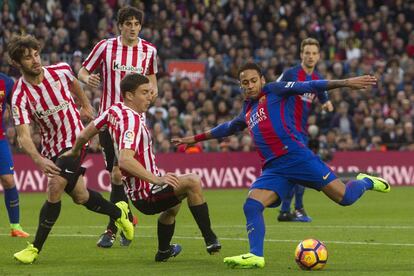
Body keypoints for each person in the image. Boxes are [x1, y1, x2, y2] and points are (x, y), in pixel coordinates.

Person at [172, 63, 390, 269]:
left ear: (262, 80)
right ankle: (256, 255)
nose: (249, 86)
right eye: (245, 83)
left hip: (297, 157)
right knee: (252, 205)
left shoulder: (274, 90)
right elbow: (227, 128)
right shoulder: (247, 110)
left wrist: (346, 82)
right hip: (274, 169)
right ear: (240, 86)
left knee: (345, 198)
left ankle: (366, 181)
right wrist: (195, 138)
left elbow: (310, 86)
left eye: (253, 80)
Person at [65, 73, 221, 261]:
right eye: (144, 92)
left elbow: (85, 134)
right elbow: (124, 160)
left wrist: (74, 152)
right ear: (129, 95)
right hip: (145, 193)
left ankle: (164, 251)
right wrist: (156, 179)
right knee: (193, 181)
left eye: (150, 92)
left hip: (142, 190)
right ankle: (210, 238)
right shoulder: (131, 121)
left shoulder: (114, 110)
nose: (150, 96)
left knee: (173, 206)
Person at [8, 35, 134, 264]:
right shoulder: (19, 95)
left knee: (55, 187)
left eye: (36, 54)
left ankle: (34, 249)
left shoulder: (61, 70)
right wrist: (37, 159)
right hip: (51, 148)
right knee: (81, 196)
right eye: (28, 58)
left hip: (76, 141)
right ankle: (119, 213)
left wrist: (85, 105)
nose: (35, 60)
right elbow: (23, 136)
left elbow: (75, 83)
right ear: (18, 63)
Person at [78, 5, 158, 248]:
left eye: (136, 24)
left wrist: (152, 93)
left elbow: (152, 80)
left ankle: (113, 227)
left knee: (118, 173)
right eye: (128, 23)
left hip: (133, 122)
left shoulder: (149, 50)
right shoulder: (105, 47)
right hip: (108, 120)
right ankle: (125, 219)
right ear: (120, 25)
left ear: (140, 26)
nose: (132, 28)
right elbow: (83, 70)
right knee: (116, 176)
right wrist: (87, 79)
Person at [276, 38, 334, 223]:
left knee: (296, 173)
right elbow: (272, 90)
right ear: (301, 54)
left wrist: (327, 105)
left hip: (302, 132)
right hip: (288, 130)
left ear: (318, 56)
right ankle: (296, 209)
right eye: (307, 53)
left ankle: (286, 211)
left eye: (314, 53)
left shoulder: (317, 79)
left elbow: (325, 98)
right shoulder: (290, 74)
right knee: (304, 170)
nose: (310, 56)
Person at [0, 72, 29, 238]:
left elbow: (16, 107)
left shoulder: (6, 82)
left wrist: (21, 133)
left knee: (8, 179)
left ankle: (15, 226)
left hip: (0, 138)